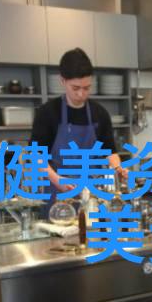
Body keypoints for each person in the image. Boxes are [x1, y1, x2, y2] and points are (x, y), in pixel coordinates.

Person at [31, 48, 128, 212]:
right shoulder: (48, 113)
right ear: (63, 81)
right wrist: (57, 180)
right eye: (75, 88)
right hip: (58, 195)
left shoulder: (100, 113)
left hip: (93, 195)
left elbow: (110, 151)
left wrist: (117, 169)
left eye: (86, 88)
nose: (81, 94)